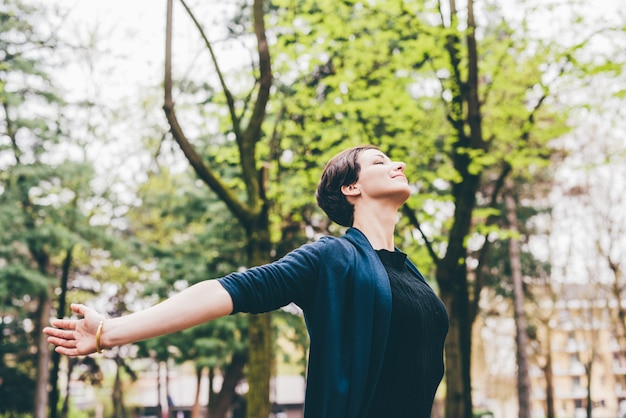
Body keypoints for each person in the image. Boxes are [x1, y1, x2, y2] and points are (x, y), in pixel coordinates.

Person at [44, 145, 449, 418]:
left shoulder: (411, 274)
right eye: (380, 162)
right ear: (351, 187)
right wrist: (109, 331)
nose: (398, 165)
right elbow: (229, 290)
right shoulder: (332, 259)